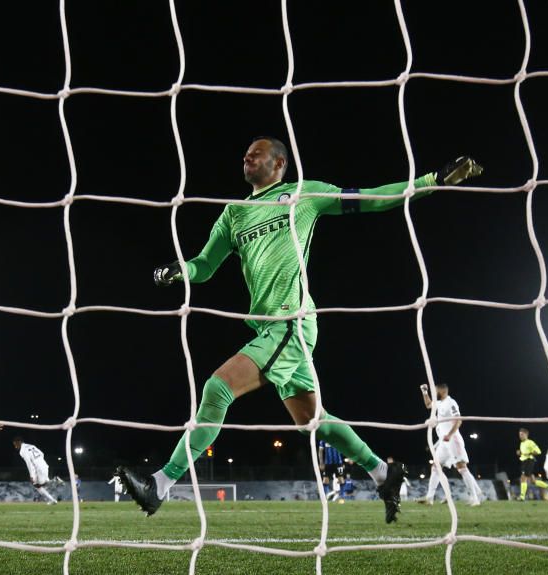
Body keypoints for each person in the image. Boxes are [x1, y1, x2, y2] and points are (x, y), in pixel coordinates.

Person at [115, 136, 483, 524]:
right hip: (269, 328)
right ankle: (382, 473)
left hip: (292, 322)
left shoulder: (303, 195)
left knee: (217, 387)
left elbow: (373, 197)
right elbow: (204, 265)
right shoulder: (234, 213)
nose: (246, 157)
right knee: (313, 420)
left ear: (279, 164)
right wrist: (180, 270)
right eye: (245, 153)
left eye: (255, 154)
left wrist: (430, 180)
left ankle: (160, 484)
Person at [418, 382, 484, 506]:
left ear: (442, 391)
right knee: (436, 467)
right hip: (443, 442)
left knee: (462, 468)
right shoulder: (440, 403)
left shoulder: (451, 403)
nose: (434, 392)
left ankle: (475, 498)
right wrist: (424, 391)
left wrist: (449, 434)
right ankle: (429, 498)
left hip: (453, 440)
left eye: (435, 390)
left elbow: (458, 421)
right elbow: (428, 404)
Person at [13, 437, 58, 504]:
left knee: (38, 485)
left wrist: (32, 475)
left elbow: (29, 463)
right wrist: (39, 462)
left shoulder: (22, 451)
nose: (15, 446)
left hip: (39, 468)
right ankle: (52, 498)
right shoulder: (31, 446)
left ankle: (54, 486)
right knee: (40, 484)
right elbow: (42, 453)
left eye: (15, 444)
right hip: (44, 465)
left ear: (19, 442)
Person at [517, 427, 548, 501]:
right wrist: (520, 453)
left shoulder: (530, 442)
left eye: (522, 434)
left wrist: (529, 453)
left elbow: (538, 451)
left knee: (523, 477)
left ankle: (522, 497)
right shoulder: (522, 443)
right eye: (519, 434)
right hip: (524, 462)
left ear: (526, 434)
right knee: (533, 481)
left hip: (529, 461)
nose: (520, 436)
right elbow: (524, 453)